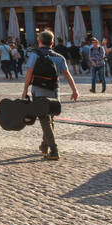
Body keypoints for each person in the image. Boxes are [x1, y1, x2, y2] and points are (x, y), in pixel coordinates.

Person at [21, 29, 80, 161]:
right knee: (49, 119)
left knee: (44, 119)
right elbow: (67, 75)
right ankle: (44, 145)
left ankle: (54, 150)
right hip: (54, 90)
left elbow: (29, 73)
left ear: (39, 41)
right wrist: (74, 90)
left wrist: (25, 89)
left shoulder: (34, 55)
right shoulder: (59, 57)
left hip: (38, 90)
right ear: (52, 43)